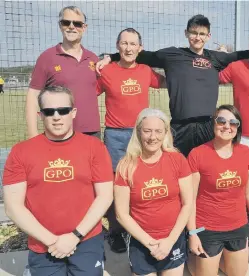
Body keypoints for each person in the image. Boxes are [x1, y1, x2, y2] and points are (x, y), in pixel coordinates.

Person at [97, 15, 249, 156]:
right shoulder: (172, 55)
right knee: (179, 169)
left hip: (208, 124)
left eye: (201, 34)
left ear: (208, 36)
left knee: (206, 168)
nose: (197, 37)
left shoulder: (215, 58)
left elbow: (240, 55)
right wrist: (110, 57)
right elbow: (137, 53)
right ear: (186, 33)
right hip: (180, 126)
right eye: (193, 33)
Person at [2, 86, 113, 275]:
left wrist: (75, 236)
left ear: (73, 113)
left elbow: (105, 196)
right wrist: (53, 241)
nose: (56, 116)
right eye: (49, 111)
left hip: (86, 239)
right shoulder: (21, 152)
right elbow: (13, 207)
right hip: (43, 245)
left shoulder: (94, 147)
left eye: (63, 110)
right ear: (40, 115)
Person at [96, 27, 163, 252]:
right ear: (117, 46)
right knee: (117, 183)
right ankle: (116, 230)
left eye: (133, 44)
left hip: (141, 134)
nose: (128, 48)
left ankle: (138, 226)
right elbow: (88, 91)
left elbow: (166, 81)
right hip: (115, 135)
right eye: (124, 43)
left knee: (141, 180)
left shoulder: (145, 71)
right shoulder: (106, 71)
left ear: (140, 48)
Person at [114, 108, 193, 276]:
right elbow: (121, 214)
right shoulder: (126, 165)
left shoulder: (177, 160)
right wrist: (150, 243)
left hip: (172, 238)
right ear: (138, 132)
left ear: (165, 133)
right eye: (147, 131)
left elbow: (187, 204)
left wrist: (169, 241)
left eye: (158, 131)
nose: (152, 137)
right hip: (141, 241)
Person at [186, 105, 249, 276]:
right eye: (221, 121)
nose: (227, 126)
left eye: (233, 122)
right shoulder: (197, 154)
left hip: (238, 226)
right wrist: (192, 234)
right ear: (213, 123)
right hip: (208, 229)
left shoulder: (246, 153)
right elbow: (190, 199)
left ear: (238, 127)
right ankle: (191, 258)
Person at [26, 6, 101, 139]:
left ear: (84, 27)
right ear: (60, 25)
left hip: (92, 134)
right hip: (59, 132)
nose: (71, 27)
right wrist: (33, 134)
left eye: (77, 24)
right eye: (66, 22)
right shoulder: (47, 57)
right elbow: (33, 95)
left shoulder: (93, 58)